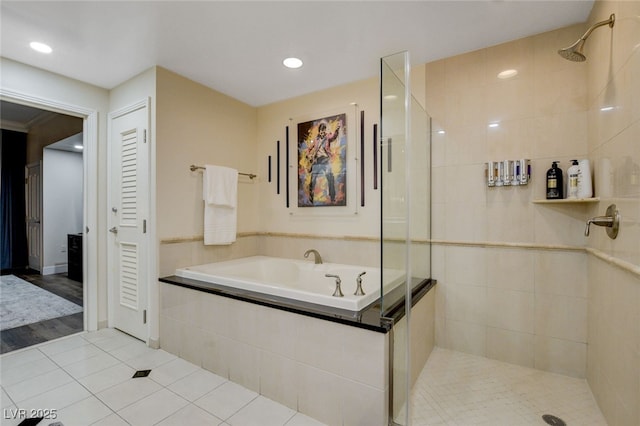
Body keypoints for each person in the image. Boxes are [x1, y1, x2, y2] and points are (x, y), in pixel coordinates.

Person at [306, 120, 340, 204]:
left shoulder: (327, 137)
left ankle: (332, 197)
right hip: (317, 161)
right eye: (321, 130)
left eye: (324, 130)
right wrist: (309, 155)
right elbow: (309, 149)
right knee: (313, 180)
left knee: (330, 178)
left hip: (325, 160)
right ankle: (311, 198)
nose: (322, 132)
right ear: (319, 131)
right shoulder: (316, 140)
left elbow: (333, 137)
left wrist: (337, 130)